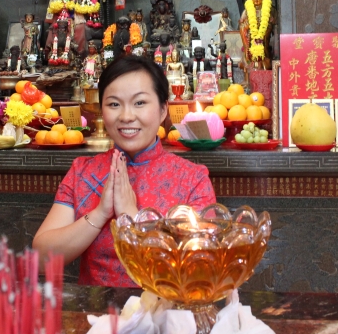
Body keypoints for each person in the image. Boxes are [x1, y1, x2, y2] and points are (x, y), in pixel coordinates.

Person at [33, 55, 217, 287]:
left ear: (162, 110)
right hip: (96, 316)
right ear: (102, 110)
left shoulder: (192, 179)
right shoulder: (83, 172)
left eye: (139, 103)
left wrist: (131, 216)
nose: (126, 116)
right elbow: (40, 261)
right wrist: (100, 213)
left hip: (165, 316)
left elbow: (201, 268)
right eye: (114, 104)